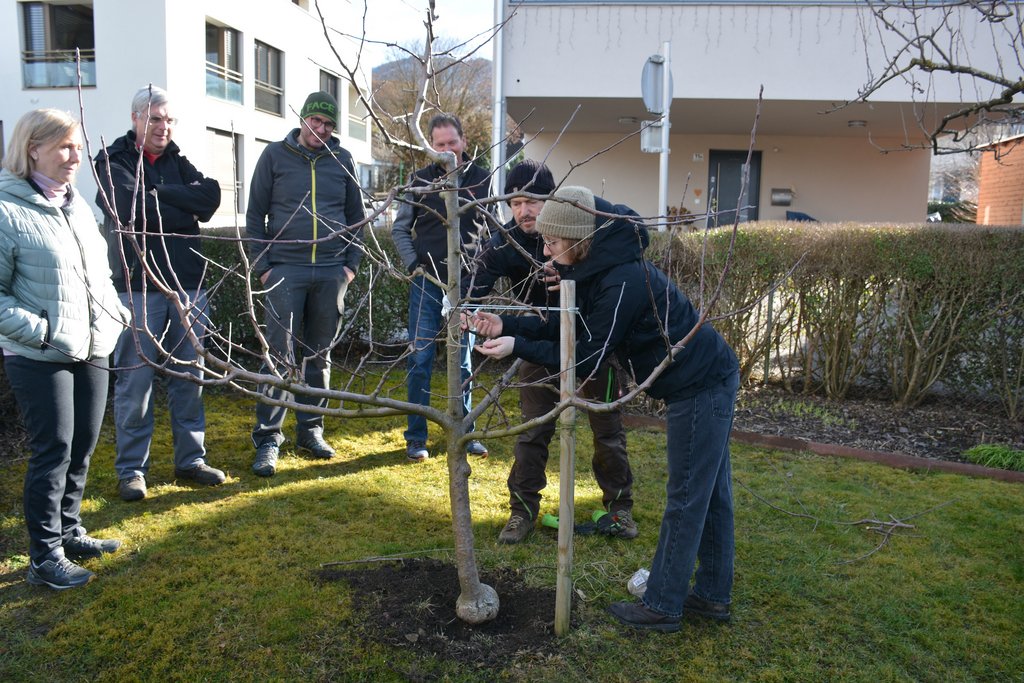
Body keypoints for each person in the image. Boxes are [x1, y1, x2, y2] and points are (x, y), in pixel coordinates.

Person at [473, 185, 740, 632]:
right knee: (710, 494)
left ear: (578, 240)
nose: (545, 251)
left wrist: (517, 345)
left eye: (552, 242)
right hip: (703, 379)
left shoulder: (622, 281)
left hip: (700, 384)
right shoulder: (598, 266)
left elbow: (587, 355)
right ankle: (712, 597)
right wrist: (506, 323)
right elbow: (569, 323)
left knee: (688, 497)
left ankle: (663, 605)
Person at [463, 160, 637, 544]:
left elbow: (634, 236)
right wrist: (465, 309)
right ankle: (522, 512)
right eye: (515, 203)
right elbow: (473, 283)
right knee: (532, 431)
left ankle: (619, 509)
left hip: (594, 344)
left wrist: (576, 273)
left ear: (551, 199)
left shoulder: (579, 224)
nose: (524, 211)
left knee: (607, 431)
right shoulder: (505, 243)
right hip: (539, 345)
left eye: (533, 201)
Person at [0, 109, 130, 589]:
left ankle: (70, 532)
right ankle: (44, 557)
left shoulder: (78, 207)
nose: (77, 156)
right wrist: (43, 332)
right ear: (33, 149)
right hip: (38, 354)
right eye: (65, 147)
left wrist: (116, 315)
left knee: (81, 449)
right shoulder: (6, 209)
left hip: (93, 346)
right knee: (52, 452)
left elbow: (102, 274)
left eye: (77, 147)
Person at [95, 86, 225, 501]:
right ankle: (132, 470)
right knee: (136, 382)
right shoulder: (112, 161)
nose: (163, 127)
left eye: (169, 120)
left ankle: (191, 461)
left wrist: (160, 194)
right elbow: (129, 211)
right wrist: (182, 206)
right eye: (155, 118)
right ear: (136, 118)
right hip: (137, 288)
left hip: (188, 286)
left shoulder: (177, 161)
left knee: (191, 377)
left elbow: (210, 198)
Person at [246, 90, 365, 477]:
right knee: (278, 356)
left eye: (329, 124)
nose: (322, 129)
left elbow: (356, 218)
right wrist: (264, 268)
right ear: (303, 119)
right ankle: (268, 438)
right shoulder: (274, 156)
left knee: (319, 355)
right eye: (316, 121)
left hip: (331, 272)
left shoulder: (343, 160)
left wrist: (349, 268)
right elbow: (255, 216)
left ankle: (311, 430)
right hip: (285, 270)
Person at [391, 113, 492, 462]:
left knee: (462, 360)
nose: (447, 150)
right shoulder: (419, 181)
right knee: (420, 358)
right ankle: (415, 437)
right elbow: (400, 228)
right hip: (428, 283)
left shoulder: (483, 180)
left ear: (464, 141)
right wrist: (414, 266)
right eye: (440, 145)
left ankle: (465, 432)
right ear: (431, 147)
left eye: (452, 143)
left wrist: (481, 274)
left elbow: (493, 232)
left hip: (467, 285)